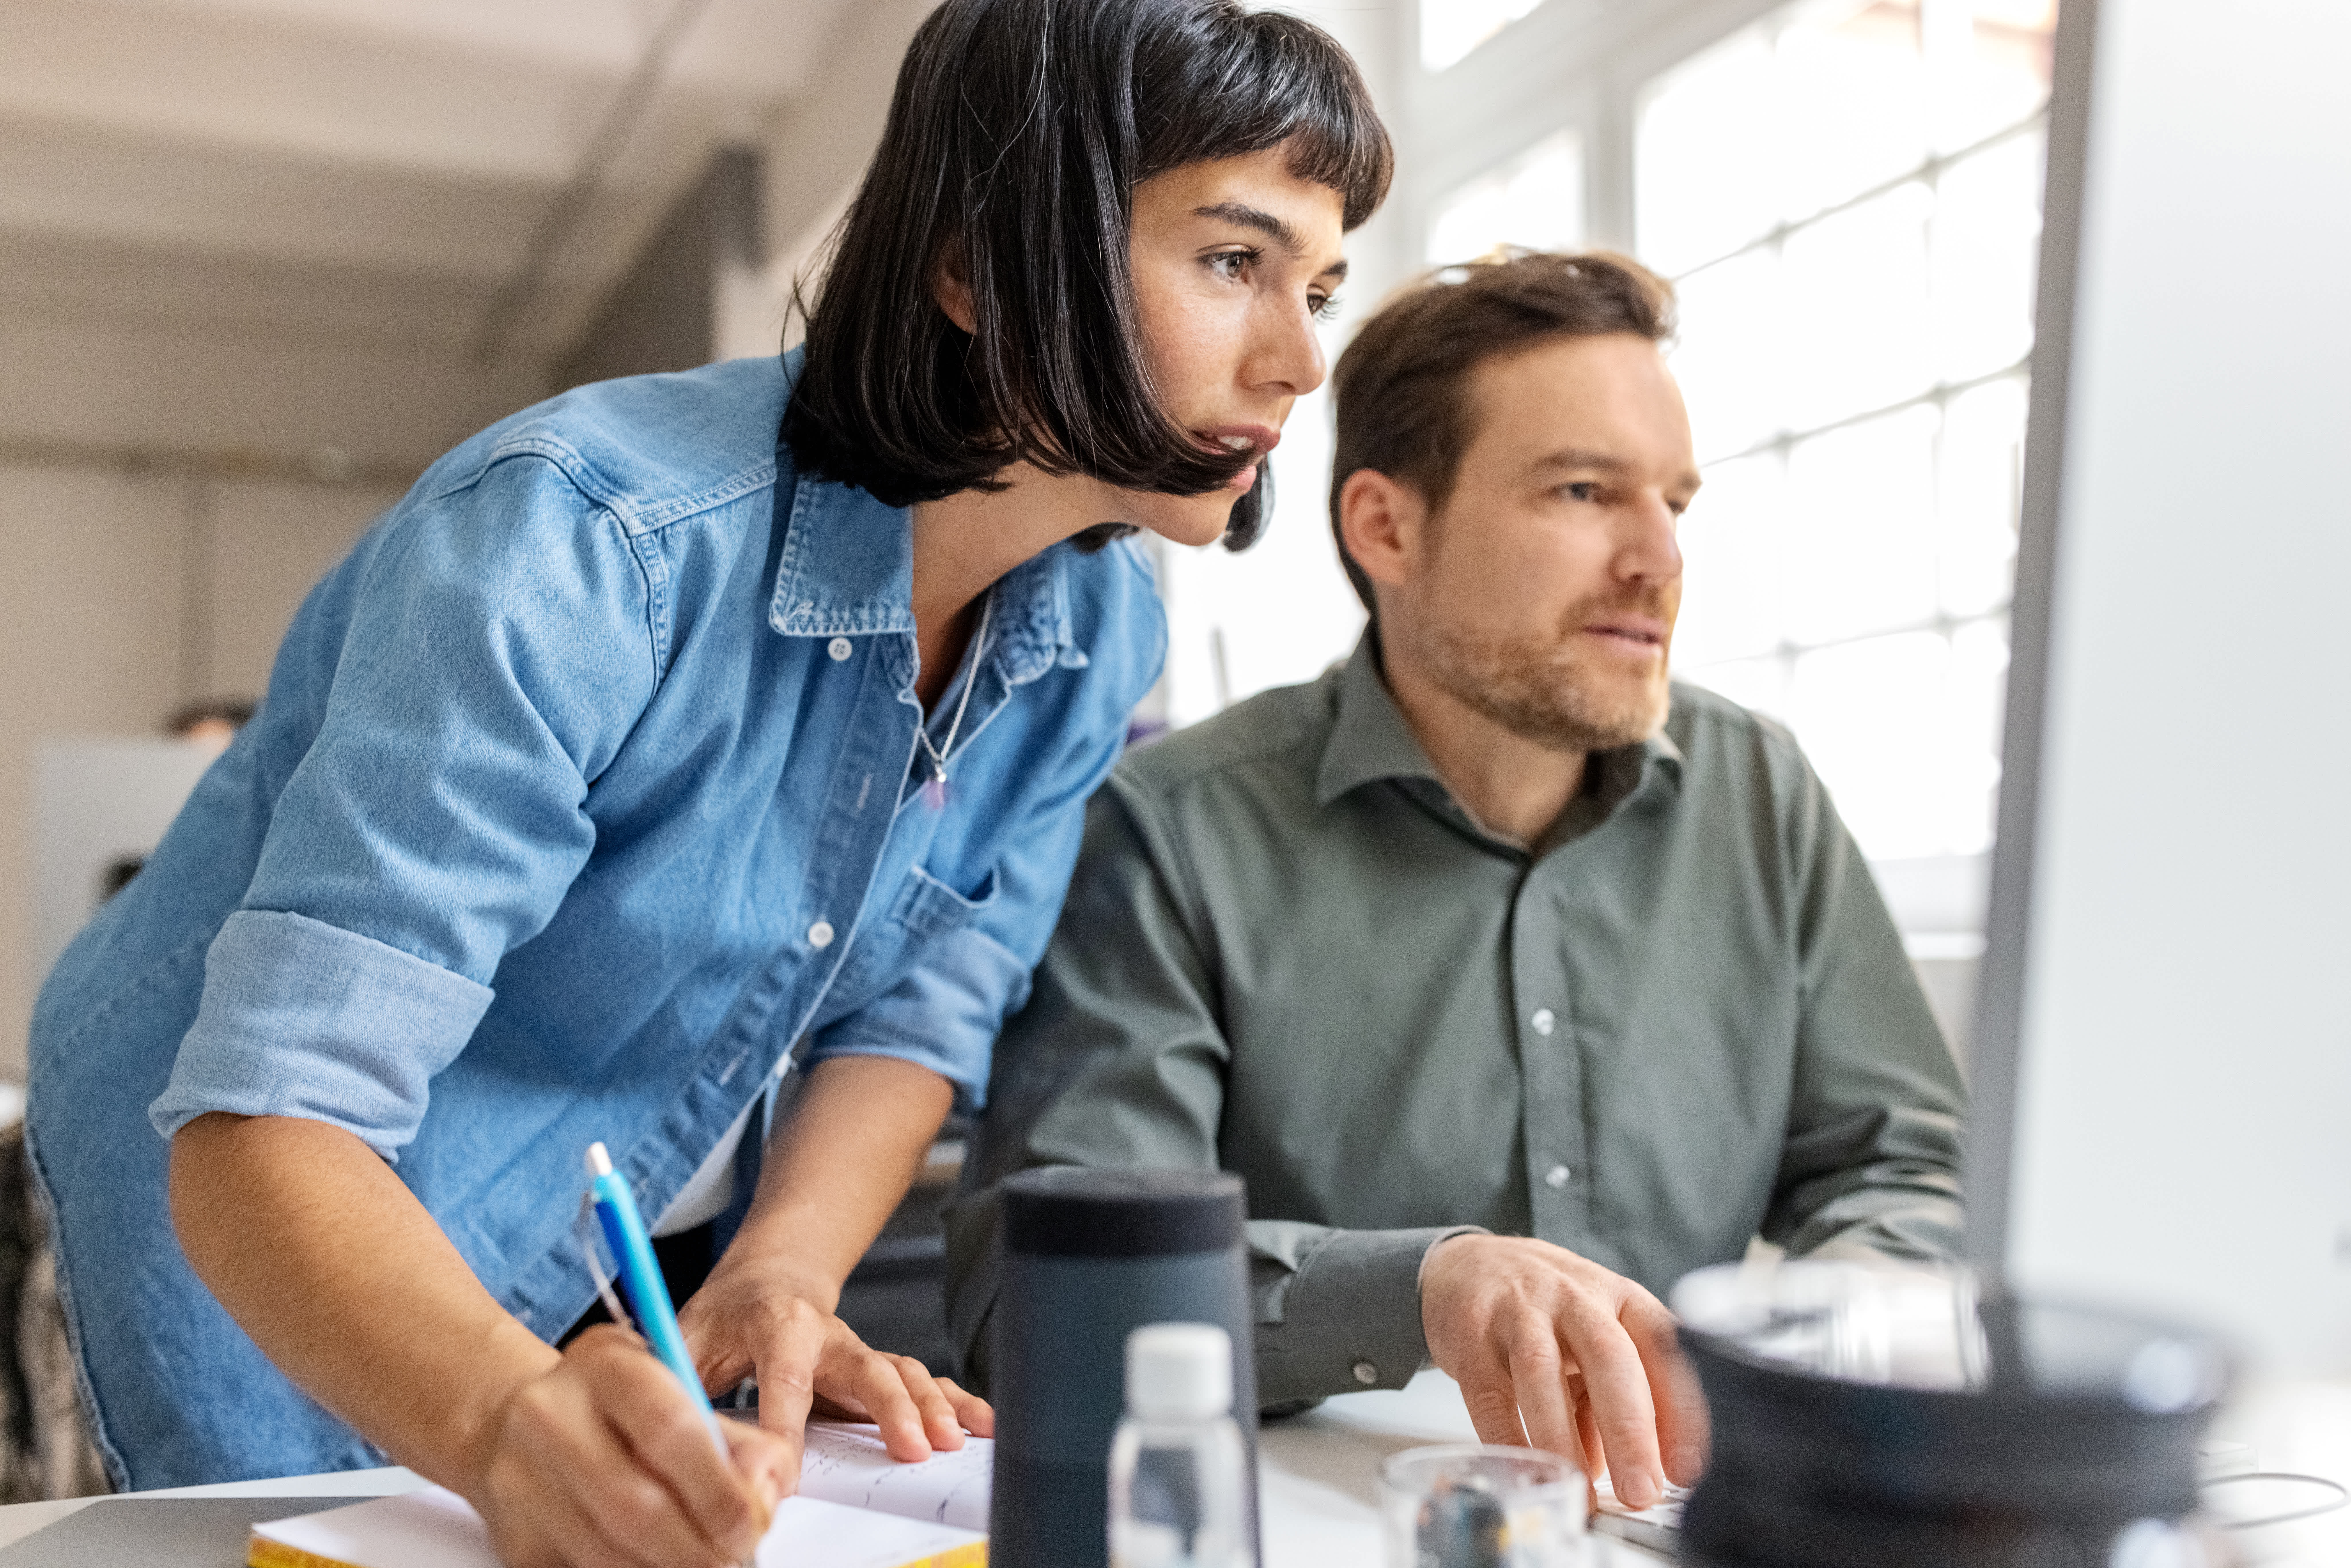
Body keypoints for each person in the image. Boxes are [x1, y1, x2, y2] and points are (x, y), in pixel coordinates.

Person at [26, 2, 1388, 1563]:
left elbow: (924, 1007)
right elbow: (274, 1117)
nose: (1300, 360)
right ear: (977, 271)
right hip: (255, 1206)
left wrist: (786, 1270)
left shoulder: (1098, 621)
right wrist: (488, 1412)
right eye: (1235, 262)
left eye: (1323, 284)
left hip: (596, 1196)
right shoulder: (582, 544)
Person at [944, 252, 1968, 1513]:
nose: (1657, 559)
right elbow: (1041, 1298)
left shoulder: (1760, 795)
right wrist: (1416, 1292)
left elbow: (1904, 1171)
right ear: (1386, 527)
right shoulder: (1167, 830)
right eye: (1584, 491)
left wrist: (1817, 1353)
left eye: (1676, 504)